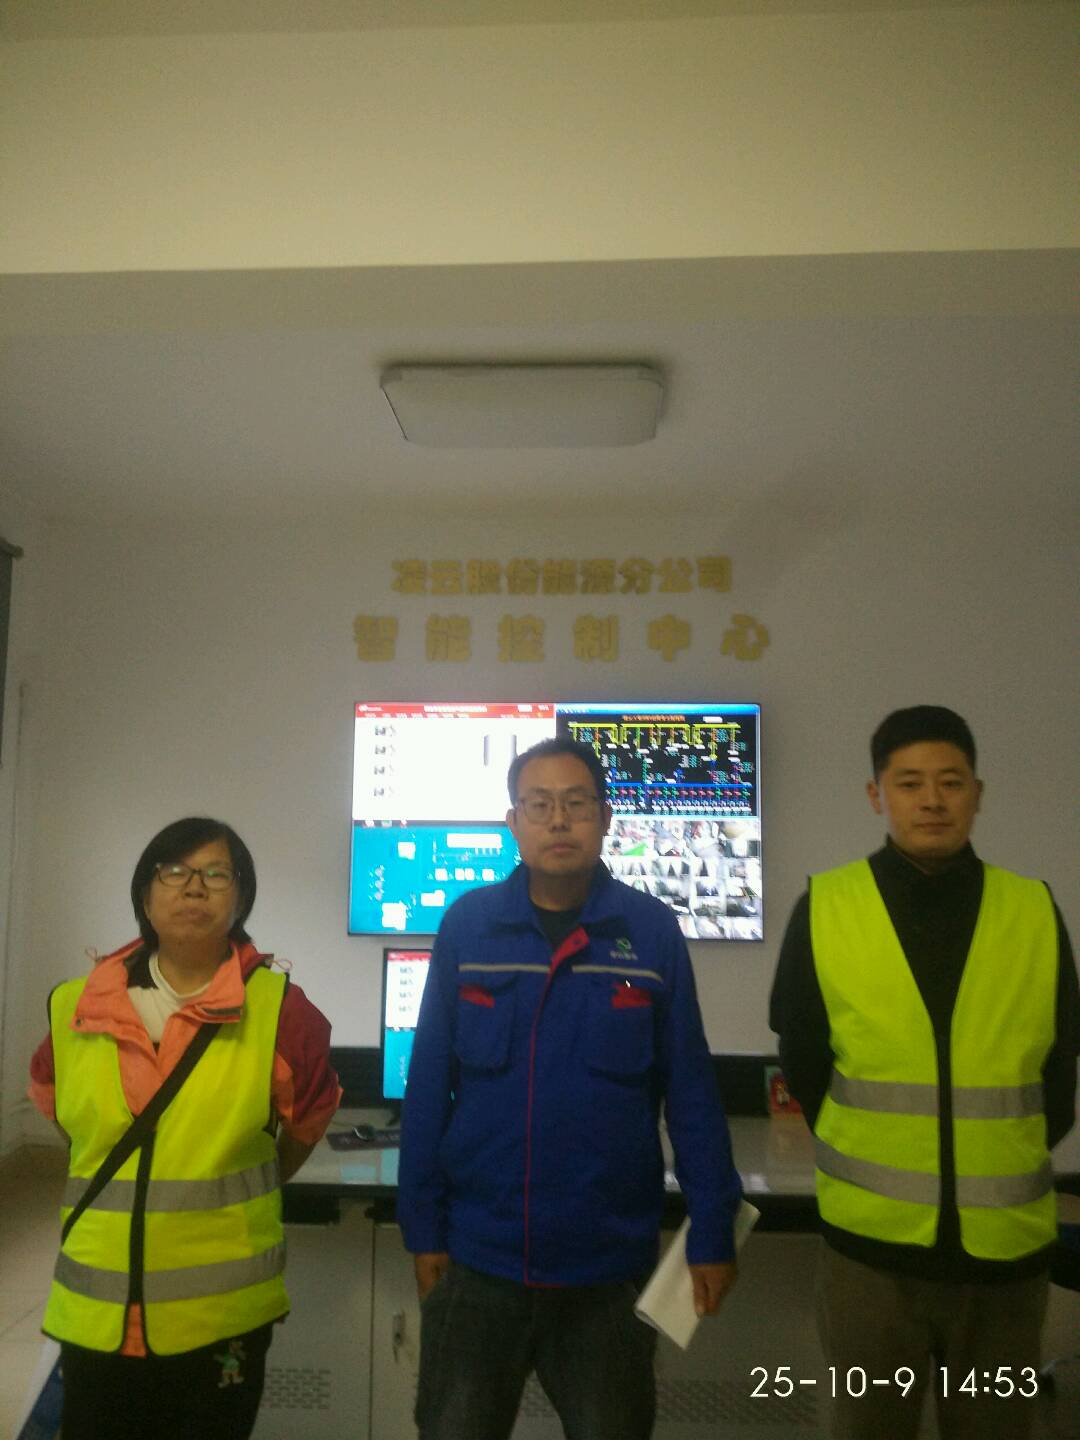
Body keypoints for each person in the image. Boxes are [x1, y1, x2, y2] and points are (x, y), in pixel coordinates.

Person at [398, 737, 742, 1440]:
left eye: (577, 803)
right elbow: (429, 1085)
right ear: (513, 822)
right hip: (478, 1260)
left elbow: (692, 1093)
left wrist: (713, 1229)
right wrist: (421, 1227)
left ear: (606, 818)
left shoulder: (649, 931)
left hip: (606, 1271)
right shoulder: (469, 926)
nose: (559, 820)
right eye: (540, 805)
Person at [769, 707, 1079, 1440]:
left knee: (996, 1429)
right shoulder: (827, 906)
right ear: (876, 795)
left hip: (1003, 1263)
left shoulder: (1032, 909)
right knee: (871, 1428)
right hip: (871, 1260)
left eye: (950, 782)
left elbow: (1060, 1071)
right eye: (909, 783)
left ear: (978, 793)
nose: (932, 800)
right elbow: (804, 1058)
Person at [28, 817, 341, 1440]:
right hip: (96, 1309)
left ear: (241, 898)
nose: (194, 887)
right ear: (145, 896)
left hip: (221, 1316)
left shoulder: (281, 1010)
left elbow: (307, 1121)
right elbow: (56, 1107)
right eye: (174, 872)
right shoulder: (75, 1005)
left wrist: (252, 1178)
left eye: (216, 874)